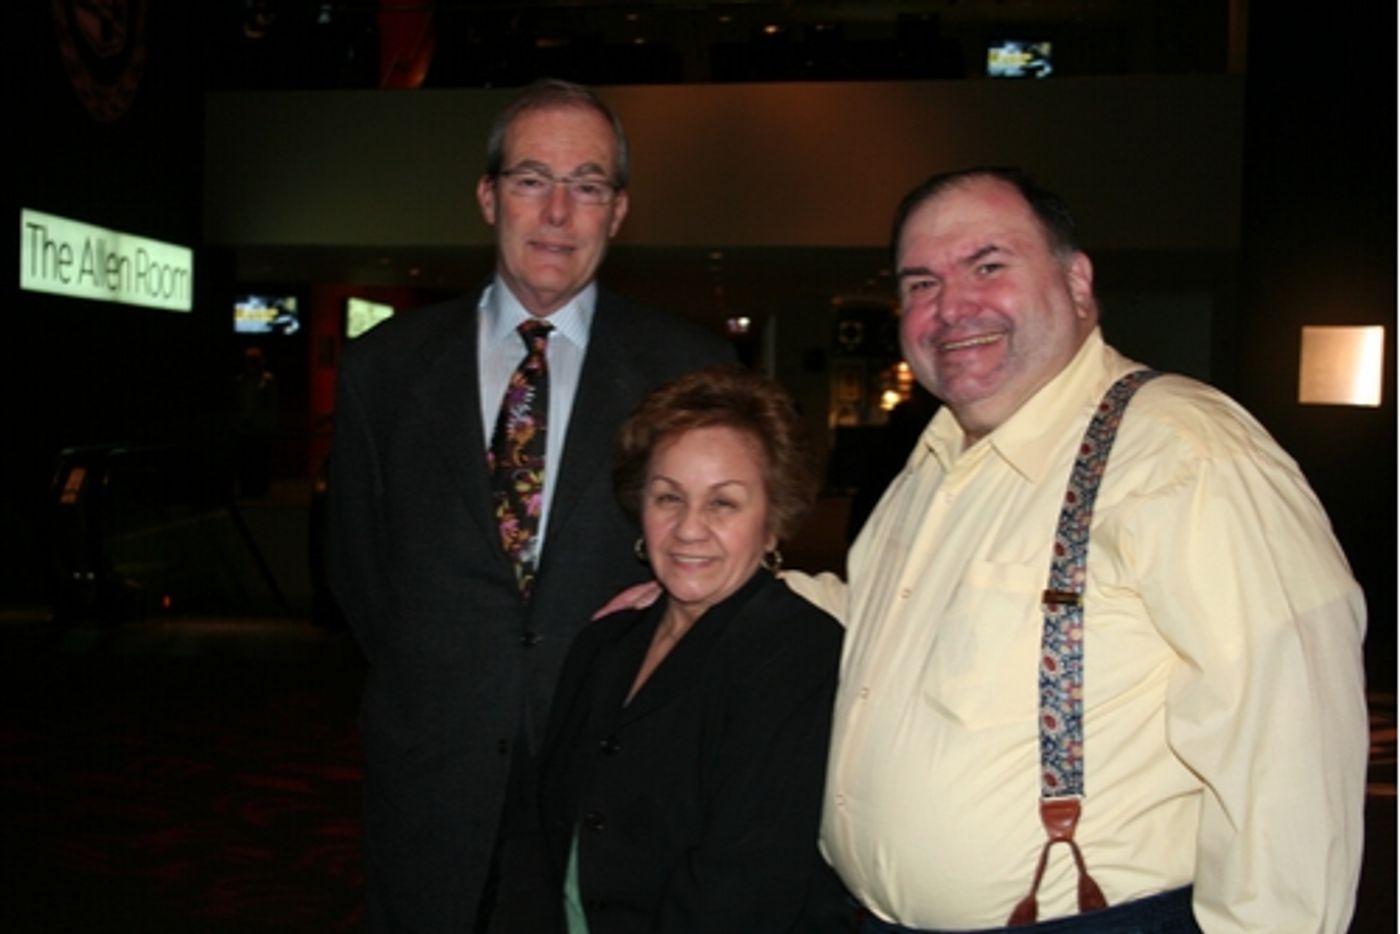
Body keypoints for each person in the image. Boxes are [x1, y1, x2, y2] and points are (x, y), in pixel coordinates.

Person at [780, 167, 1369, 932]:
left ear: (1077, 282)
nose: (951, 307)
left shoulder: (1183, 451)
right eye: (922, 283)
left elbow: (1289, 752)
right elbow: (882, 625)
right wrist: (718, 585)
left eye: (988, 266)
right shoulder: (932, 464)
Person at [327, 79, 733, 933]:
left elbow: (727, 562)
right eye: (530, 180)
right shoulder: (385, 370)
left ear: (618, 210)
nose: (557, 212)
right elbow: (360, 572)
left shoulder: (691, 373)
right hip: (430, 773)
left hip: (612, 769)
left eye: (586, 185)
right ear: (488, 197)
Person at [539, 365, 843, 933]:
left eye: (722, 503)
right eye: (668, 498)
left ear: (773, 521)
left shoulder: (799, 654)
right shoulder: (605, 640)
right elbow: (545, 834)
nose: (688, 529)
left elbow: (744, 887)